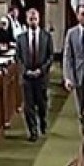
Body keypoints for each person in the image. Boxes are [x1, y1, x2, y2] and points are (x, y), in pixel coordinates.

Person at [16, 8, 54, 142]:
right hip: (27, 77)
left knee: (42, 104)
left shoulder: (46, 36)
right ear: (27, 20)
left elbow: (50, 57)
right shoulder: (20, 38)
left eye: (35, 19)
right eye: (30, 19)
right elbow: (18, 57)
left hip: (41, 76)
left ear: (39, 19)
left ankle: (42, 121)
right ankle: (33, 130)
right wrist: (25, 70)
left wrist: (41, 70)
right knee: (28, 106)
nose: (33, 21)